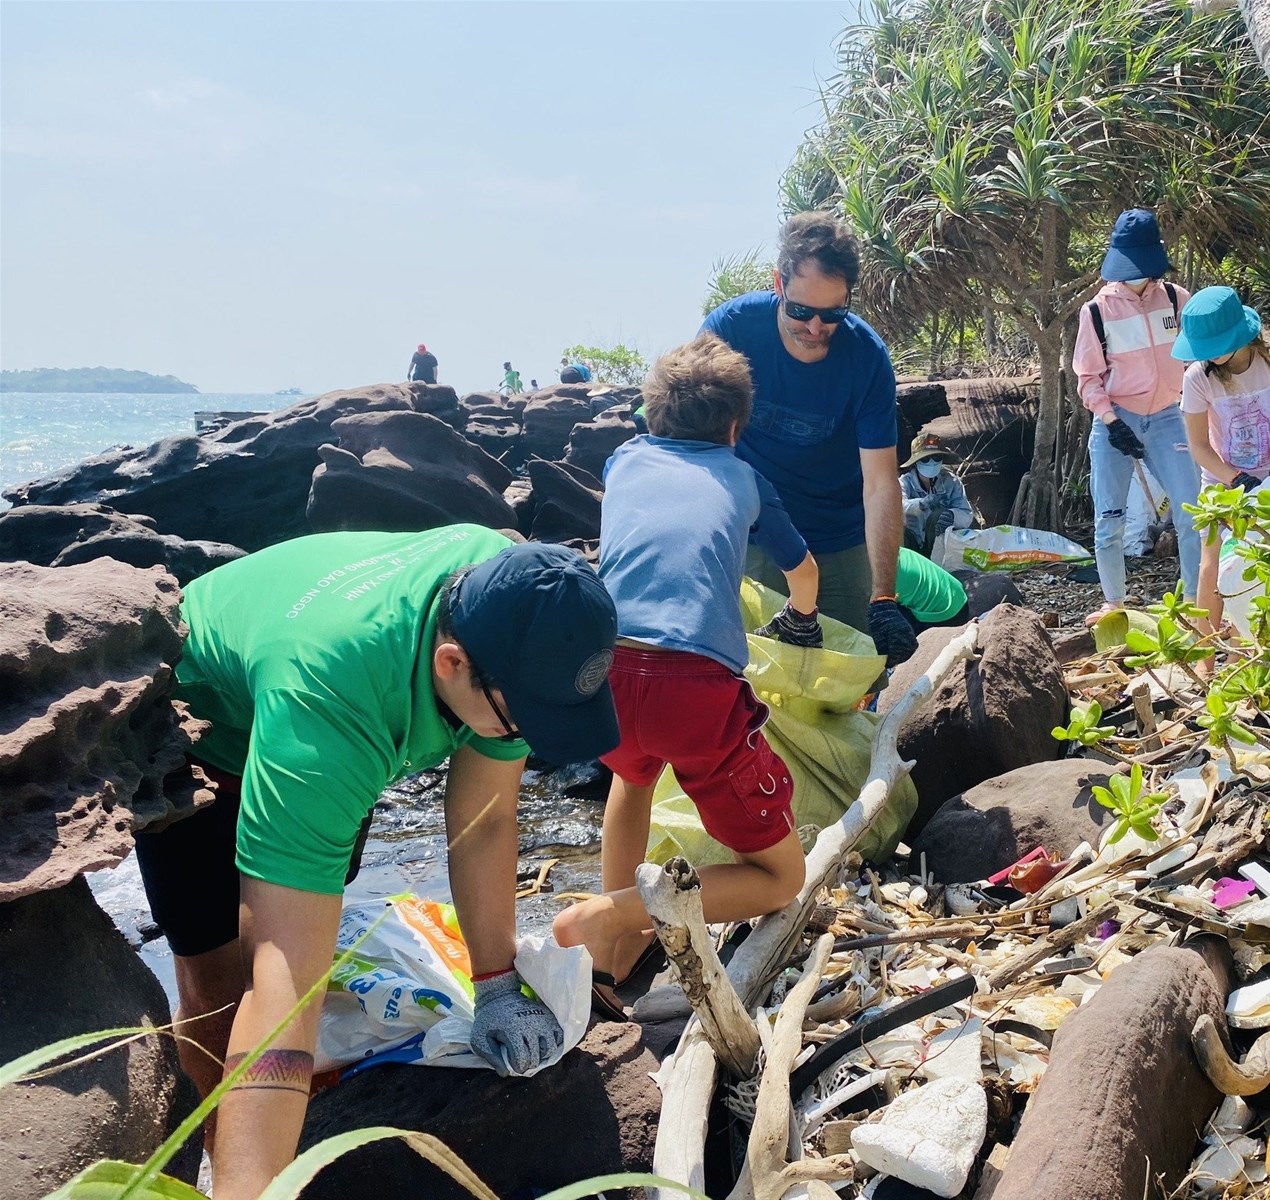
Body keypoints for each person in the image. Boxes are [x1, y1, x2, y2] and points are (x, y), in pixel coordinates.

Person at [132, 525, 619, 1200]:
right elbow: (288, 998)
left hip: (318, 697)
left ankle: (260, 1143)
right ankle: (223, 1164)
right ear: (449, 665)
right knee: (227, 975)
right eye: (525, 722)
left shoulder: (510, 602)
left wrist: (498, 981)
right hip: (199, 723)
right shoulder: (332, 716)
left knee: (301, 934)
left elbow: (487, 822)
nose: (536, 741)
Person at [552, 333, 815, 1018]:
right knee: (783, 878)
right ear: (735, 427)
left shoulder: (625, 458)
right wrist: (801, 619)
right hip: (694, 686)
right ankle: (613, 914)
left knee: (632, 778)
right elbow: (803, 573)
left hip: (603, 670)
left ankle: (610, 960)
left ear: (651, 416)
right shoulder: (746, 476)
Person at [701, 211, 918, 668]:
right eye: (801, 310)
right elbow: (693, 442)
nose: (815, 328)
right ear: (778, 284)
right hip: (756, 535)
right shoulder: (732, 330)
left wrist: (883, 597)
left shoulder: (867, 358)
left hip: (838, 536)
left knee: (851, 675)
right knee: (759, 676)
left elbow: (880, 483)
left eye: (832, 313)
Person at [1073, 209, 1201, 623]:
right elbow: (1088, 378)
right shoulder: (1097, 311)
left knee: (1192, 513)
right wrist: (1111, 422)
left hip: (1168, 417)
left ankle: (1199, 601)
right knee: (1109, 517)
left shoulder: (1177, 299)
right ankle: (1113, 601)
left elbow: (1199, 363)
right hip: (1116, 419)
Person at [1172, 286, 1270, 634]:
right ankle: (1204, 660)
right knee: (1211, 566)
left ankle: (1259, 651)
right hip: (1224, 479)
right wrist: (1235, 478)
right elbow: (1198, 446)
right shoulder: (1198, 377)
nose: (1211, 356)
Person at [899, 431, 974, 557]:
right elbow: (897, 506)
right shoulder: (904, 482)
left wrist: (951, 515)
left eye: (936, 458)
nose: (931, 463)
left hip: (941, 544)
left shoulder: (952, 482)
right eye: (925, 459)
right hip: (911, 543)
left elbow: (966, 514)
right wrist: (921, 504)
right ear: (916, 462)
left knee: (938, 516)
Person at [895, 546, 970, 634]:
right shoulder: (889, 550)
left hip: (946, 617)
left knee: (880, 615)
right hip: (957, 596)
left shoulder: (880, 574)